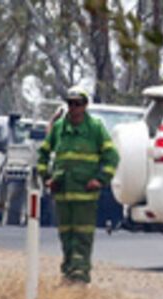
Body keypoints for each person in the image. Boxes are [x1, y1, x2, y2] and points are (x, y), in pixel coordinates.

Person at [37, 86, 119, 285]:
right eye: (70, 104)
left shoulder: (95, 129)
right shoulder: (58, 129)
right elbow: (43, 155)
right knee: (66, 237)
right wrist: (47, 177)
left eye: (77, 104)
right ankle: (68, 274)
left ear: (85, 106)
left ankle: (80, 277)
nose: (73, 108)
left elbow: (112, 157)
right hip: (63, 195)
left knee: (82, 237)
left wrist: (100, 180)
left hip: (85, 197)